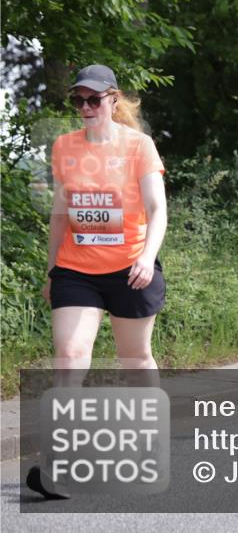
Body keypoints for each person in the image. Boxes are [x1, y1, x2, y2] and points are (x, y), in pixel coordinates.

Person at [29, 64, 167, 499]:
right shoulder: (65, 146)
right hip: (76, 269)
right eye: (78, 100)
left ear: (113, 99)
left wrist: (147, 256)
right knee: (69, 355)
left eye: (93, 99)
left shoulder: (138, 147)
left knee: (136, 357)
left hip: (129, 266)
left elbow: (156, 209)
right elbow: (59, 214)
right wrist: (53, 269)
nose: (85, 107)